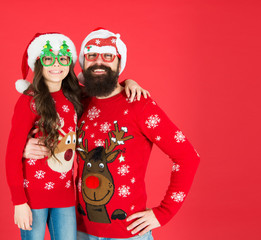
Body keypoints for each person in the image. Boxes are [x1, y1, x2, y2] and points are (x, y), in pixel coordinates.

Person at [24, 28, 200, 240]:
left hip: (129, 234)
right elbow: (42, 127)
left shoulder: (139, 104)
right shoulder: (76, 101)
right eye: (92, 55)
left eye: (108, 56)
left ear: (119, 63)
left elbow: (188, 157)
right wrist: (25, 146)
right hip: (79, 232)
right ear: (83, 62)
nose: (99, 62)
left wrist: (164, 213)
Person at [6, 32, 149, 240]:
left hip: (65, 197)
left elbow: (107, 88)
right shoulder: (29, 101)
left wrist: (130, 81)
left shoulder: (75, 96)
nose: (56, 65)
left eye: (63, 59)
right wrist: (19, 201)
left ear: (70, 63)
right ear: (38, 63)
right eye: (48, 59)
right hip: (32, 196)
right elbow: (11, 155)